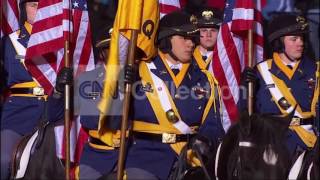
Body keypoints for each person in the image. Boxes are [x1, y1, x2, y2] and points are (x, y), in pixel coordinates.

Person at [119, 11, 225, 179]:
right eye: (184, 38)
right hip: (145, 160)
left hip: (190, 160)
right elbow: (112, 119)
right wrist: (120, 88)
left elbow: (214, 124)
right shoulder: (140, 72)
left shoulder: (205, 79)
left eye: (193, 38)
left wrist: (204, 142)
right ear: (167, 40)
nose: (191, 44)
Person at [0, 0, 67, 179]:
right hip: (20, 112)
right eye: (33, 5)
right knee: (4, 160)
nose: (38, 10)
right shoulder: (8, 42)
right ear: (23, 8)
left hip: (55, 109)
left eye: (42, 5)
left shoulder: (62, 41)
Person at [242, 14, 319, 158]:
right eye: (294, 39)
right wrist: (244, 89)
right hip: (271, 146)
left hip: (308, 145)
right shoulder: (260, 72)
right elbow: (246, 112)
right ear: (279, 43)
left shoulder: (316, 71)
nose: (300, 43)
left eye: (302, 38)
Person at [76, 27, 123, 179]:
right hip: (98, 155)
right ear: (103, 52)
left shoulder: (141, 78)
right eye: (112, 48)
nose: (118, 53)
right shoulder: (89, 79)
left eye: (122, 47)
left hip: (132, 153)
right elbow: (90, 119)